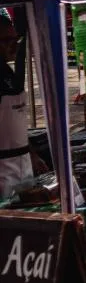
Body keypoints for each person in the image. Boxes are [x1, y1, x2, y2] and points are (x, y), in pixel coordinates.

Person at [0, 13, 31, 197]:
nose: (14, 44)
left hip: (23, 165)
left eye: (15, 39)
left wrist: (31, 153)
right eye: (7, 40)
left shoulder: (8, 72)